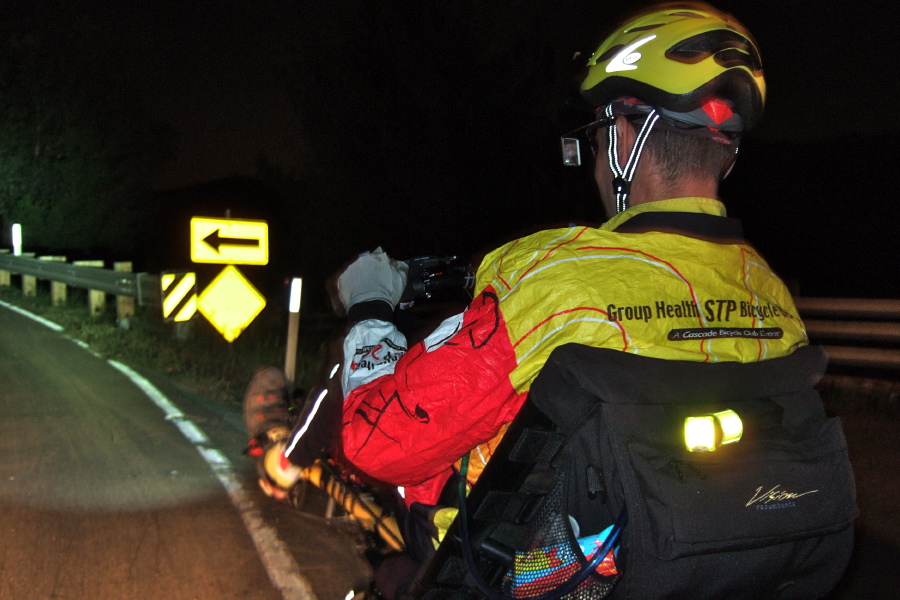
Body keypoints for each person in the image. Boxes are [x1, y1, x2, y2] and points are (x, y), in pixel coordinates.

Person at [245, 0, 807, 550]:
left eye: (596, 137)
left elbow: (379, 442)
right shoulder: (770, 294)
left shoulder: (561, 281)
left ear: (624, 138)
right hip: (689, 551)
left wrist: (369, 304)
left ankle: (284, 459)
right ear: (726, 154)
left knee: (368, 372)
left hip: (529, 567)